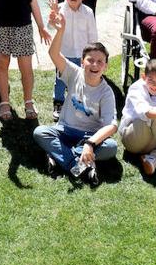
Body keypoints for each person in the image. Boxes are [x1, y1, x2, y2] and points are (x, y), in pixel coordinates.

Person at [34, 19, 118, 185]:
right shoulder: (74, 73)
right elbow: (54, 54)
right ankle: (78, 164)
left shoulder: (106, 92)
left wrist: (90, 143)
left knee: (111, 147)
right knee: (40, 132)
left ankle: (59, 156)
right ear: (82, 61)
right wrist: (60, 31)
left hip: (89, 135)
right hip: (64, 130)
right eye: (90, 60)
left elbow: (112, 126)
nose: (94, 64)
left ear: (105, 66)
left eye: (100, 61)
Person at [48, 0, 100, 120]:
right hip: (63, 53)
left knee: (81, 79)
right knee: (60, 80)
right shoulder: (59, 10)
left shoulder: (88, 12)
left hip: (82, 54)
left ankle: (78, 104)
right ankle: (58, 102)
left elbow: (92, 35)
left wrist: (92, 54)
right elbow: (51, 27)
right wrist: (52, 19)